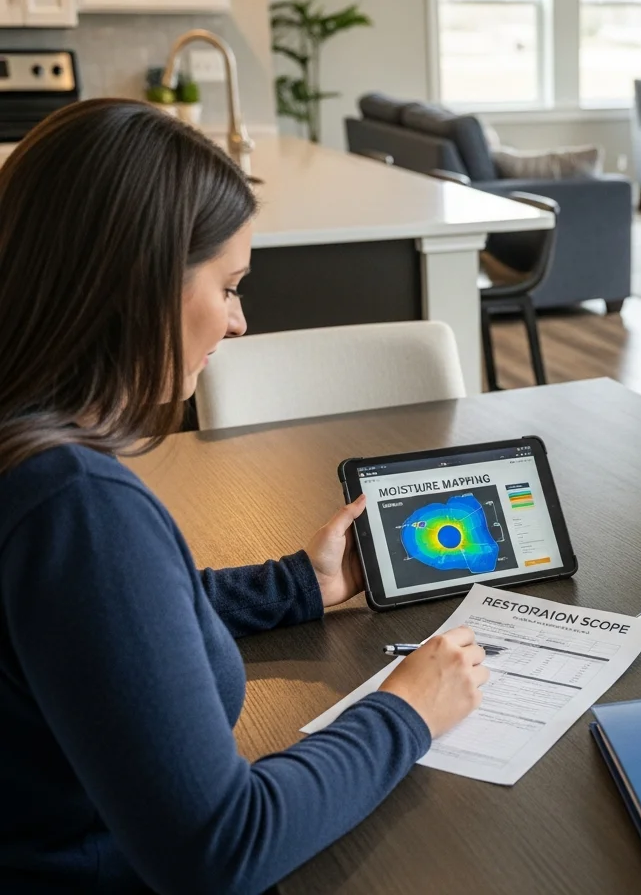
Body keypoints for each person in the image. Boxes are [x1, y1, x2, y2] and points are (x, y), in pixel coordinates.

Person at [0, 99, 488, 893]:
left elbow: (103, 628)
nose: (238, 322)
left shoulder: (25, 459)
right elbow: (222, 849)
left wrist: (297, 584)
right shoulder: (76, 505)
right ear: (142, 283)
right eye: (228, 285)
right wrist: (408, 711)